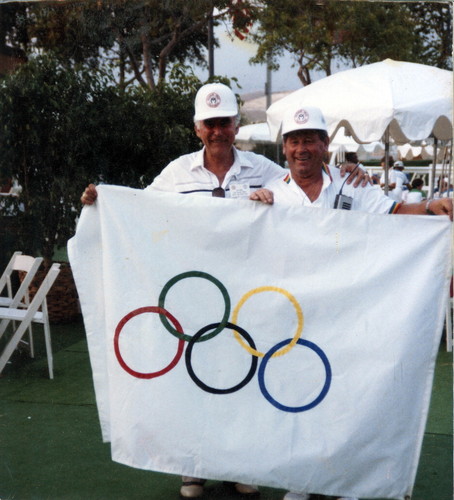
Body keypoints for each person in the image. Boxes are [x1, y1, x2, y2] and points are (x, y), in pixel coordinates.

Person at [80, 84, 370, 499]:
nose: (219, 131)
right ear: (198, 128)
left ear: (237, 125)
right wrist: (100, 201)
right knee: (194, 381)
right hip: (195, 294)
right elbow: (139, 211)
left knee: (242, 381)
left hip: (248, 297)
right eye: (210, 124)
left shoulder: (265, 170)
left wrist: (354, 173)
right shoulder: (176, 173)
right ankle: (191, 470)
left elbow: (303, 190)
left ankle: (239, 466)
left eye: (226, 123)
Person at [258, 104, 452, 500]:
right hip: (292, 317)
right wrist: (252, 208)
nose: (301, 149)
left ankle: (349, 480)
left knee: (347, 398)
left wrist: (431, 207)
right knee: (297, 400)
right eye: (294, 141)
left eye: (310, 140)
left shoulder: (354, 186)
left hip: (346, 315)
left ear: (325, 146)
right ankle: (302, 481)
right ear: (285, 148)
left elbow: (396, 213)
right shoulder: (271, 194)